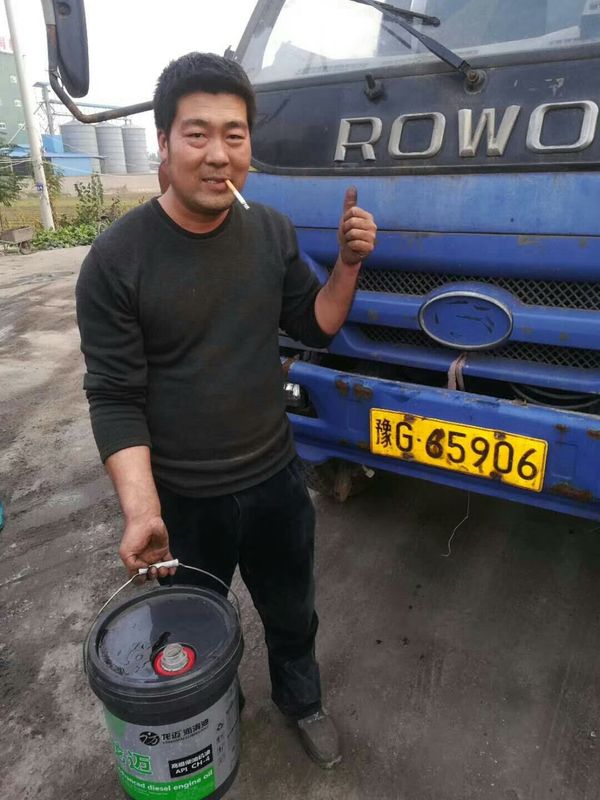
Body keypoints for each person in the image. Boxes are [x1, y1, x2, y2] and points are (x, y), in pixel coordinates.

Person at [76, 52, 376, 769]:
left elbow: (316, 324)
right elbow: (114, 396)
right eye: (197, 134)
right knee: (189, 632)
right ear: (164, 142)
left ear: (248, 145)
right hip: (183, 498)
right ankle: (214, 716)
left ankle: (301, 701)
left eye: (234, 135)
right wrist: (143, 511)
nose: (219, 154)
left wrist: (347, 266)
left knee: (292, 612)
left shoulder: (269, 231)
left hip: (275, 479)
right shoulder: (117, 261)